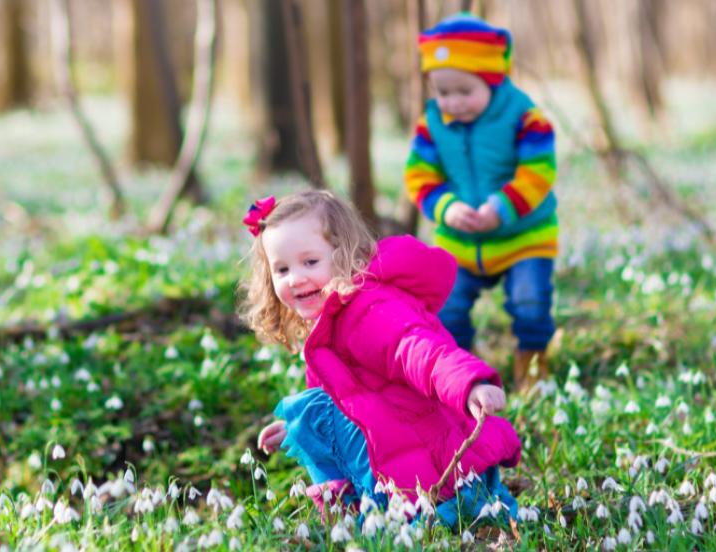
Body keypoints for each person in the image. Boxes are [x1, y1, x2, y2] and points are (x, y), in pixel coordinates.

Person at [238, 190, 521, 528]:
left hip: (437, 471)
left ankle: (378, 510)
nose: (295, 278)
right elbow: (348, 398)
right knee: (310, 413)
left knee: (311, 409)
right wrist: (297, 432)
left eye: (310, 262)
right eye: (282, 269)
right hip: (413, 459)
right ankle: (371, 509)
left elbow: (416, 349)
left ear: (345, 256)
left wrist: (468, 383)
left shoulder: (367, 310)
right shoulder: (332, 323)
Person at [404, 13, 558, 389]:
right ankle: (462, 374)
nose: (452, 102)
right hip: (460, 238)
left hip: (524, 235)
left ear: (493, 79)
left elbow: (538, 170)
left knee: (530, 302)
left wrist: (501, 208)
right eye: (442, 92)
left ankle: (533, 366)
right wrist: (446, 207)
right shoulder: (432, 123)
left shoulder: (524, 116)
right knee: (448, 307)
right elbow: (419, 174)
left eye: (464, 91)